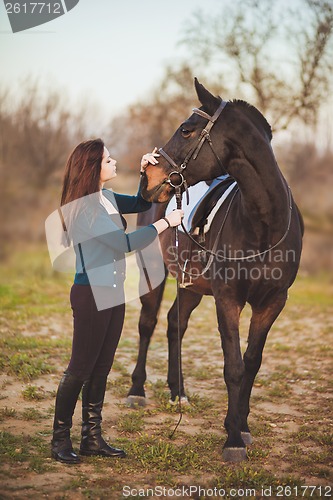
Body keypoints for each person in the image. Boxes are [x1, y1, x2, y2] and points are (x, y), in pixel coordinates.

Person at [51, 139, 183, 464]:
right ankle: (59, 440)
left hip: (113, 293)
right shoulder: (83, 207)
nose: (114, 163)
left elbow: (141, 202)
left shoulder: (107, 198)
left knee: (101, 368)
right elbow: (123, 243)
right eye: (108, 160)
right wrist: (166, 223)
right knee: (79, 369)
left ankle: (91, 439)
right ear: (93, 167)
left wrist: (144, 172)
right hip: (90, 294)